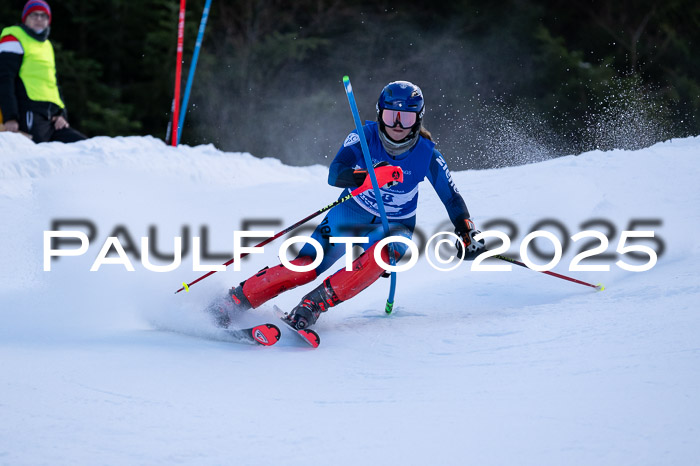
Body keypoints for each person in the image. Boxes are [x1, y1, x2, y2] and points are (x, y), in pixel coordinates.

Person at [207, 80, 485, 330]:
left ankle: (311, 307)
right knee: (305, 265)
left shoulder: (428, 155)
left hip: (395, 225)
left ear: (418, 119)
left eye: (406, 117)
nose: (397, 125)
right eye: (391, 115)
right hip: (351, 212)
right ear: (380, 114)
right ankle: (233, 301)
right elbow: (335, 173)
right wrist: (366, 176)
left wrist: (466, 230)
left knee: (382, 257)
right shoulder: (364, 138)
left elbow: (451, 197)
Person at [0, 0, 86, 143]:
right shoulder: (13, 38)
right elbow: (4, 79)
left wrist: (62, 114)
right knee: (39, 157)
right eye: (34, 15)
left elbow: (54, 83)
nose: (39, 19)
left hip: (52, 118)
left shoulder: (47, 45)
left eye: (43, 16)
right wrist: (11, 117)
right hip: (28, 113)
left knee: (84, 146)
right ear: (25, 18)